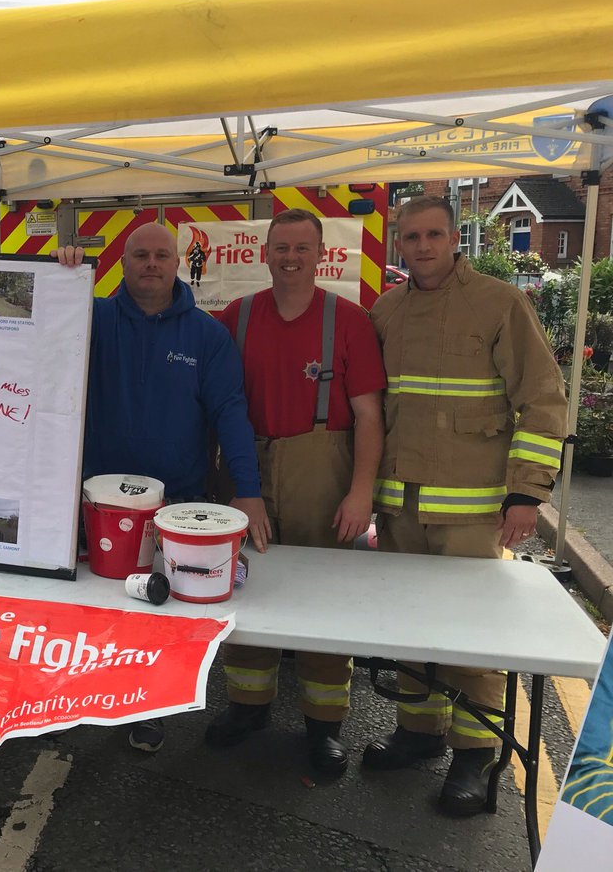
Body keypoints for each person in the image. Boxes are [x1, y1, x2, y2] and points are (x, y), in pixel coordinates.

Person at [364, 195, 567, 816]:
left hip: (474, 511)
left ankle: (476, 757)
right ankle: (418, 733)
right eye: (410, 236)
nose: (422, 246)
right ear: (397, 243)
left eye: (433, 234)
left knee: (472, 637)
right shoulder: (386, 309)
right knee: (412, 626)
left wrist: (526, 494)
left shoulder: (500, 303)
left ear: (456, 238)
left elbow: (543, 399)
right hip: (401, 504)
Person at [58, 222, 268, 755]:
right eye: (140, 255)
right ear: (122, 264)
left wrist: (248, 489)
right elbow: (37, 334)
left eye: (161, 255)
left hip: (176, 504)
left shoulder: (207, 336)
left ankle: (147, 709)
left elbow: (231, 414)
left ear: (178, 264)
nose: (151, 264)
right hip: (96, 503)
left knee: (160, 611)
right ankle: (89, 695)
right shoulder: (93, 319)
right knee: (96, 604)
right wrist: (63, 276)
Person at [205, 209, 385, 778]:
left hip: (320, 465)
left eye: (301, 249)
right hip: (245, 467)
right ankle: (248, 705)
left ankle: (324, 725)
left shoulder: (350, 320)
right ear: (265, 253)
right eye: (280, 247)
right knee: (245, 586)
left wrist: (360, 493)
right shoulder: (236, 317)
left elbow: (369, 418)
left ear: (321, 254)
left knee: (321, 595)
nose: (290, 258)